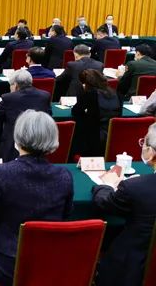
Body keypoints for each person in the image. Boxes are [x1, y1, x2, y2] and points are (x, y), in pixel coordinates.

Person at [0, 110, 73, 286]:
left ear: (18, 138)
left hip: (9, 264)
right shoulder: (64, 175)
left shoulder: (1, 173)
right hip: (50, 261)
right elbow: (66, 217)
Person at [92, 124, 156, 286]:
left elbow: (104, 203)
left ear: (151, 152)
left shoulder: (135, 188)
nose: (142, 145)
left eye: (144, 142)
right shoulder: (136, 186)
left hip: (131, 269)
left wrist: (106, 185)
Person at [0, 69, 52, 161]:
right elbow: (49, 115)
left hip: (13, 144)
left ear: (15, 85)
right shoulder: (45, 95)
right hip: (39, 141)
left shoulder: (9, 98)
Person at [71, 69, 122, 156]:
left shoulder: (90, 94)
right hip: (113, 135)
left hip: (94, 138)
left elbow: (75, 111)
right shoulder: (116, 93)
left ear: (87, 84)